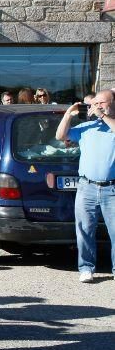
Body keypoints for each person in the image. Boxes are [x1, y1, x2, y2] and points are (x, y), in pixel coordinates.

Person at [55, 89, 115, 283]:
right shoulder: (86, 127)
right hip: (86, 187)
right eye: (95, 104)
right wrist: (68, 114)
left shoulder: (112, 125)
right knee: (84, 230)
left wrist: (104, 116)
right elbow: (60, 136)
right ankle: (86, 267)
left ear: (111, 104)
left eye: (101, 103)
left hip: (111, 189)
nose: (97, 107)